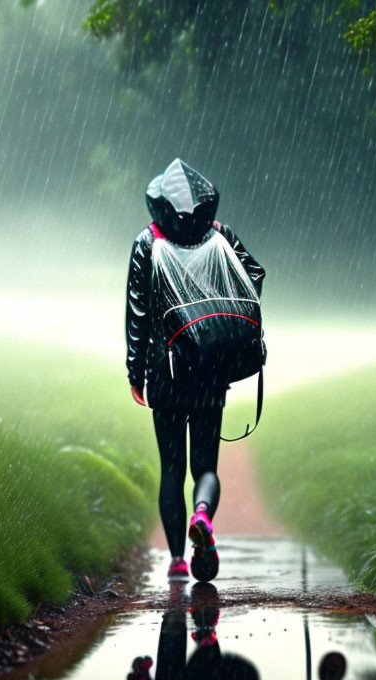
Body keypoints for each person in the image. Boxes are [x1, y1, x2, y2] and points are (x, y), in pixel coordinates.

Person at [126, 158, 265, 582]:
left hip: (165, 371)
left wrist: (135, 372)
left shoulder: (147, 242)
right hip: (210, 368)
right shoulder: (220, 235)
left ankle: (177, 561)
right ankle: (203, 517)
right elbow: (254, 276)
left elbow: (137, 313)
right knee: (205, 467)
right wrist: (214, 311)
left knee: (171, 468)